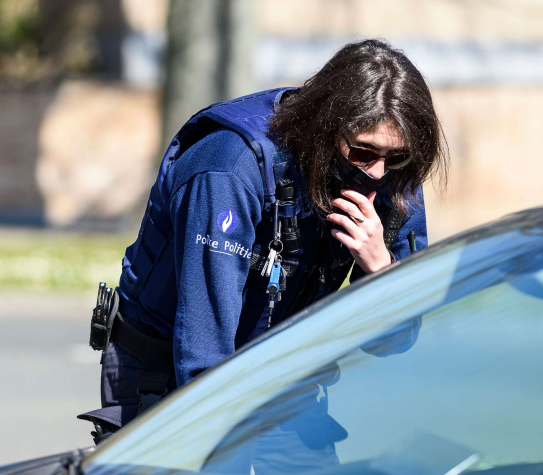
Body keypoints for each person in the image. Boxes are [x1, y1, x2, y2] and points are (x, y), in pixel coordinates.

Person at [79, 39, 448, 444]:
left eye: (394, 158)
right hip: (171, 373)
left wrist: (380, 270)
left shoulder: (394, 173)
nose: (377, 172)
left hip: (284, 374)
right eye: (363, 152)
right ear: (326, 127)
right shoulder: (230, 165)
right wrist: (220, 455)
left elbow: (396, 341)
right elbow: (203, 351)